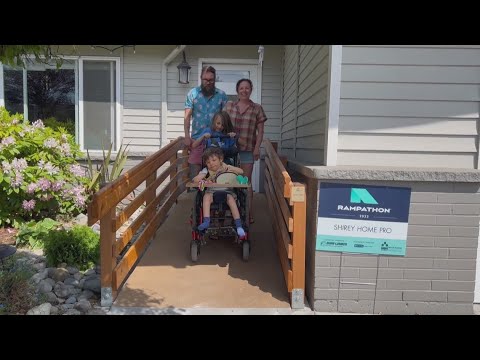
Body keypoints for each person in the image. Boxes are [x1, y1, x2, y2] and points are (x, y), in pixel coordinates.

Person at [223, 78, 267, 224]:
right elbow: (221, 124)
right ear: (237, 90)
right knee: (227, 182)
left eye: (247, 88)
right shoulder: (229, 106)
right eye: (241, 88)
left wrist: (257, 148)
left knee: (245, 183)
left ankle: (248, 214)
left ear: (251, 90)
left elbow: (260, 132)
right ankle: (227, 213)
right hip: (229, 151)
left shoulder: (257, 108)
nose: (244, 90)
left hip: (247, 150)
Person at [184, 66, 228, 180]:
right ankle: (198, 195)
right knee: (195, 174)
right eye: (205, 79)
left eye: (211, 80)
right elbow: (187, 117)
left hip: (215, 140)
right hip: (197, 140)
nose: (208, 82)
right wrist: (187, 136)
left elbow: (225, 118)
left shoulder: (222, 95)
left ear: (215, 79)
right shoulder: (192, 94)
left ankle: (213, 195)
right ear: (201, 78)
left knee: (216, 173)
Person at [192, 147, 245, 238]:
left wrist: (230, 167)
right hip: (212, 193)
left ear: (221, 159)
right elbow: (194, 180)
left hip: (227, 192)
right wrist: (203, 177)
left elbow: (241, 172)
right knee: (206, 197)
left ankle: (239, 225)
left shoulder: (226, 167)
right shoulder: (206, 171)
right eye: (208, 162)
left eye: (214, 160)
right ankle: (206, 221)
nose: (211, 163)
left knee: (231, 200)